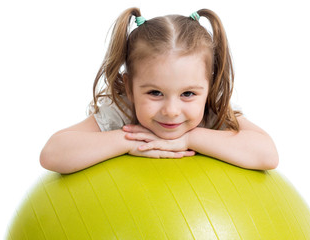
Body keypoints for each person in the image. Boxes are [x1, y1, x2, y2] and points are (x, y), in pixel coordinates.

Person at [40, 8, 279, 174]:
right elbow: (52, 153)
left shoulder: (213, 111)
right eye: (155, 93)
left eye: (188, 94)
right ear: (130, 88)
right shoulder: (122, 112)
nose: (171, 111)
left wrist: (190, 138)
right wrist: (130, 141)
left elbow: (268, 155)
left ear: (209, 88)